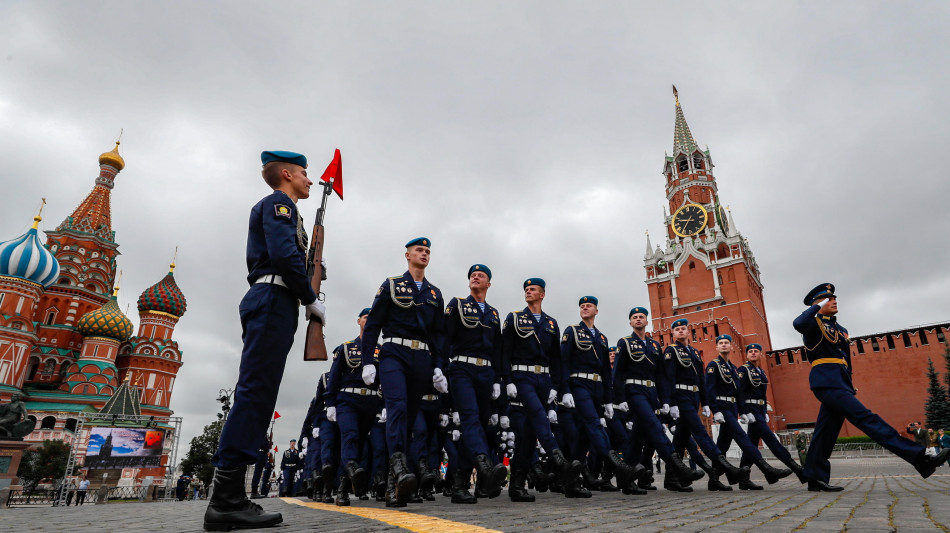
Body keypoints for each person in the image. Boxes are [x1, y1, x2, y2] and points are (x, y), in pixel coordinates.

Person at [204, 150, 326, 531]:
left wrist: (312, 273)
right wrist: (310, 297)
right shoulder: (279, 205)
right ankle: (225, 501)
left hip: (277, 301)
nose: (309, 179)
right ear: (287, 174)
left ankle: (232, 497)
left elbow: (290, 256)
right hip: (274, 298)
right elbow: (283, 255)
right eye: (304, 173)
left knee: (260, 395)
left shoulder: (287, 210)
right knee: (255, 393)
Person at [794, 283, 950, 491]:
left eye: (834, 298)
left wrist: (849, 383)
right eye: (828, 299)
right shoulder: (813, 324)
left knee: (826, 431)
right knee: (867, 418)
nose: (834, 301)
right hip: (826, 381)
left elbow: (845, 359)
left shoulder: (841, 330)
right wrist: (817, 307)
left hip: (840, 382)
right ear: (818, 303)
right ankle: (920, 458)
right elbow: (798, 323)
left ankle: (815, 477)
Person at [360, 237, 446, 508]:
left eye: (427, 251)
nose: (424, 254)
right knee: (396, 408)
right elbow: (373, 324)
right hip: (393, 353)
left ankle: (393, 484)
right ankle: (399, 468)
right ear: (407, 255)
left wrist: (439, 366)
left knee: (408, 420)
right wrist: (367, 361)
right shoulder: (392, 285)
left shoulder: (434, 294)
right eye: (419, 250)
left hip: (421, 358)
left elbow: (439, 335)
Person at [501, 278, 584, 501]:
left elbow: (557, 359)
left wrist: (557, 386)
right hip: (522, 376)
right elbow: (505, 351)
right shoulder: (515, 318)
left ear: (542, 294)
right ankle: (560, 462)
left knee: (528, 435)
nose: (528, 291)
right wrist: (507, 379)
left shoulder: (551, 323)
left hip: (544, 379)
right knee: (539, 416)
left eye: (533, 289)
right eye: (526, 289)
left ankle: (516, 486)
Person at [612, 307, 702, 491]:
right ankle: (678, 467)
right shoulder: (625, 342)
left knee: (637, 438)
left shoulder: (654, 346)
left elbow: (661, 376)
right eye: (635, 317)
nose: (638, 319)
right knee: (654, 426)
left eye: (641, 317)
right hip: (634, 391)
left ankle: (626, 480)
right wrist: (620, 398)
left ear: (646, 321)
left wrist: (666, 400)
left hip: (651, 393)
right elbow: (617, 373)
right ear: (630, 322)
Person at [560, 296, 644, 493]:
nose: (584, 308)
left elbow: (606, 372)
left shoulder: (602, 338)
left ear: (596, 311)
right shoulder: (572, 330)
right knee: (593, 423)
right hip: (578, 383)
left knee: (583, 436)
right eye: (582, 306)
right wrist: (565, 390)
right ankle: (619, 465)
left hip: (596, 388)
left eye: (588, 306)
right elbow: (564, 362)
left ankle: (570, 482)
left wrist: (607, 400)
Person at [443, 264, 508, 504]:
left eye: (480, 275)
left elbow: (498, 348)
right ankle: (484, 467)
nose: (475, 277)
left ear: (488, 284)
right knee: (470, 418)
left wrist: (498, 378)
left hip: (486, 372)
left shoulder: (493, 313)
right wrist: (441, 368)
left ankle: (460, 486)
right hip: (462, 368)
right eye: (472, 275)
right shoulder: (457, 304)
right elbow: (445, 337)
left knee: (477, 425)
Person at [663, 318, 750, 490]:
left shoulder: (695, 353)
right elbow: (668, 378)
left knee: (680, 440)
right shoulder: (671, 351)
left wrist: (705, 403)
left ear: (688, 332)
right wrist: (671, 403)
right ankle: (727, 469)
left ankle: (671, 479)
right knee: (700, 432)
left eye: (683, 328)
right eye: (677, 329)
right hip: (681, 397)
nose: (680, 331)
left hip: (693, 398)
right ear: (672, 334)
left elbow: (701, 380)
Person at [706, 335, 791, 490]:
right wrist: (715, 410)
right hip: (722, 407)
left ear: (731, 346)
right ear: (716, 347)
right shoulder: (713, 365)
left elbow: (739, 392)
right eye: (721, 343)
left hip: (732, 408)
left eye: (726, 343)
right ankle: (766, 469)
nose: (724, 345)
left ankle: (714, 480)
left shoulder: (733, 368)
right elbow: (709, 389)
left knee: (723, 444)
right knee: (742, 437)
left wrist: (742, 411)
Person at [325, 308, 382, 506]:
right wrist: (330, 403)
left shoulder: (381, 350)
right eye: (366, 317)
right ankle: (349, 478)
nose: (369, 320)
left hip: (371, 402)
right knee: (350, 436)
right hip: (347, 400)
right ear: (358, 321)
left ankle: (343, 490)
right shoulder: (346, 348)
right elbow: (334, 377)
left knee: (359, 445)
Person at [736, 343, 805, 485]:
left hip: (759, 411)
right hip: (752, 411)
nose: (753, 353)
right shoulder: (744, 369)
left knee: (752, 444)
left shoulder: (761, 372)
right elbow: (739, 392)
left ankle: (743, 478)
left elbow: (762, 394)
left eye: (756, 351)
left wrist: (764, 411)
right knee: (771, 439)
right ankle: (797, 469)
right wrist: (744, 412)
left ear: (760, 354)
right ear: (747, 355)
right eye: (751, 351)